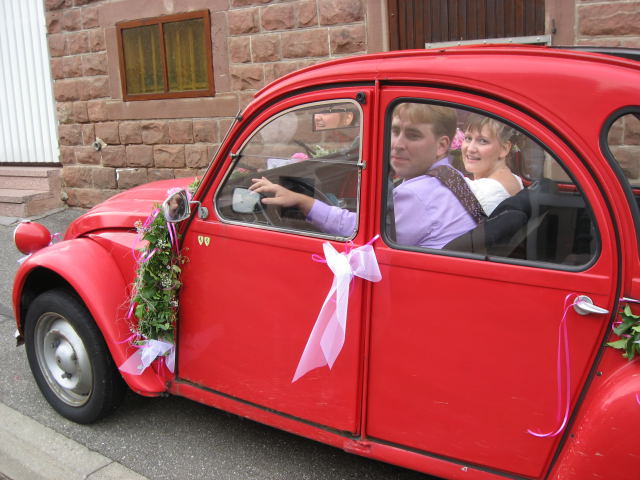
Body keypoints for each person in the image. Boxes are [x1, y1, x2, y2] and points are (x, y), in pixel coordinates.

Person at [249, 103, 477, 249]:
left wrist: (303, 201)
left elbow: (362, 234)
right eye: (395, 131)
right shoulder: (450, 175)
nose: (397, 144)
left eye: (413, 135)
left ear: (441, 145)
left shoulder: (418, 195)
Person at [461, 114, 523, 216]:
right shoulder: (515, 179)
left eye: (483, 141)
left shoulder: (482, 191)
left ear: (504, 149)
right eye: (468, 138)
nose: (470, 148)